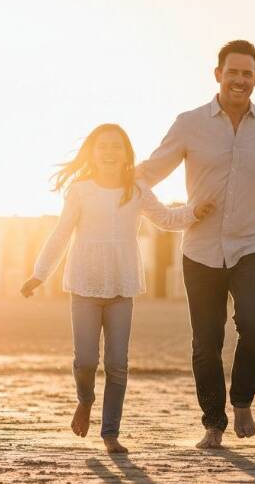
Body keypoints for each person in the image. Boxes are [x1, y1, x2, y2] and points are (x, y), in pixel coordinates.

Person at [136, 40, 255, 449]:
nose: (240, 80)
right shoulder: (189, 123)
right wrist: (172, 215)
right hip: (201, 249)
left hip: (253, 245)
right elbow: (148, 174)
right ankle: (213, 421)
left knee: (254, 330)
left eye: (248, 74)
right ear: (218, 74)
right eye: (233, 72)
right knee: (206, 343)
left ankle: (242, 399)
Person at [20, 123, 214, 454]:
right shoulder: (80, 190)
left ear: (127, 154)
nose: (109, 152)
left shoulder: (135, 188)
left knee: (117, 363)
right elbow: (61, 233)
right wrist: (40, 273)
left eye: (116, 147)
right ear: (92, 153)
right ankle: (85, 400)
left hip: (122, 286)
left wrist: (194, 212)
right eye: (103, 146)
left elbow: (166, 219)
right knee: (84, 360)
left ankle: (110, 433)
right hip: (84, 285)